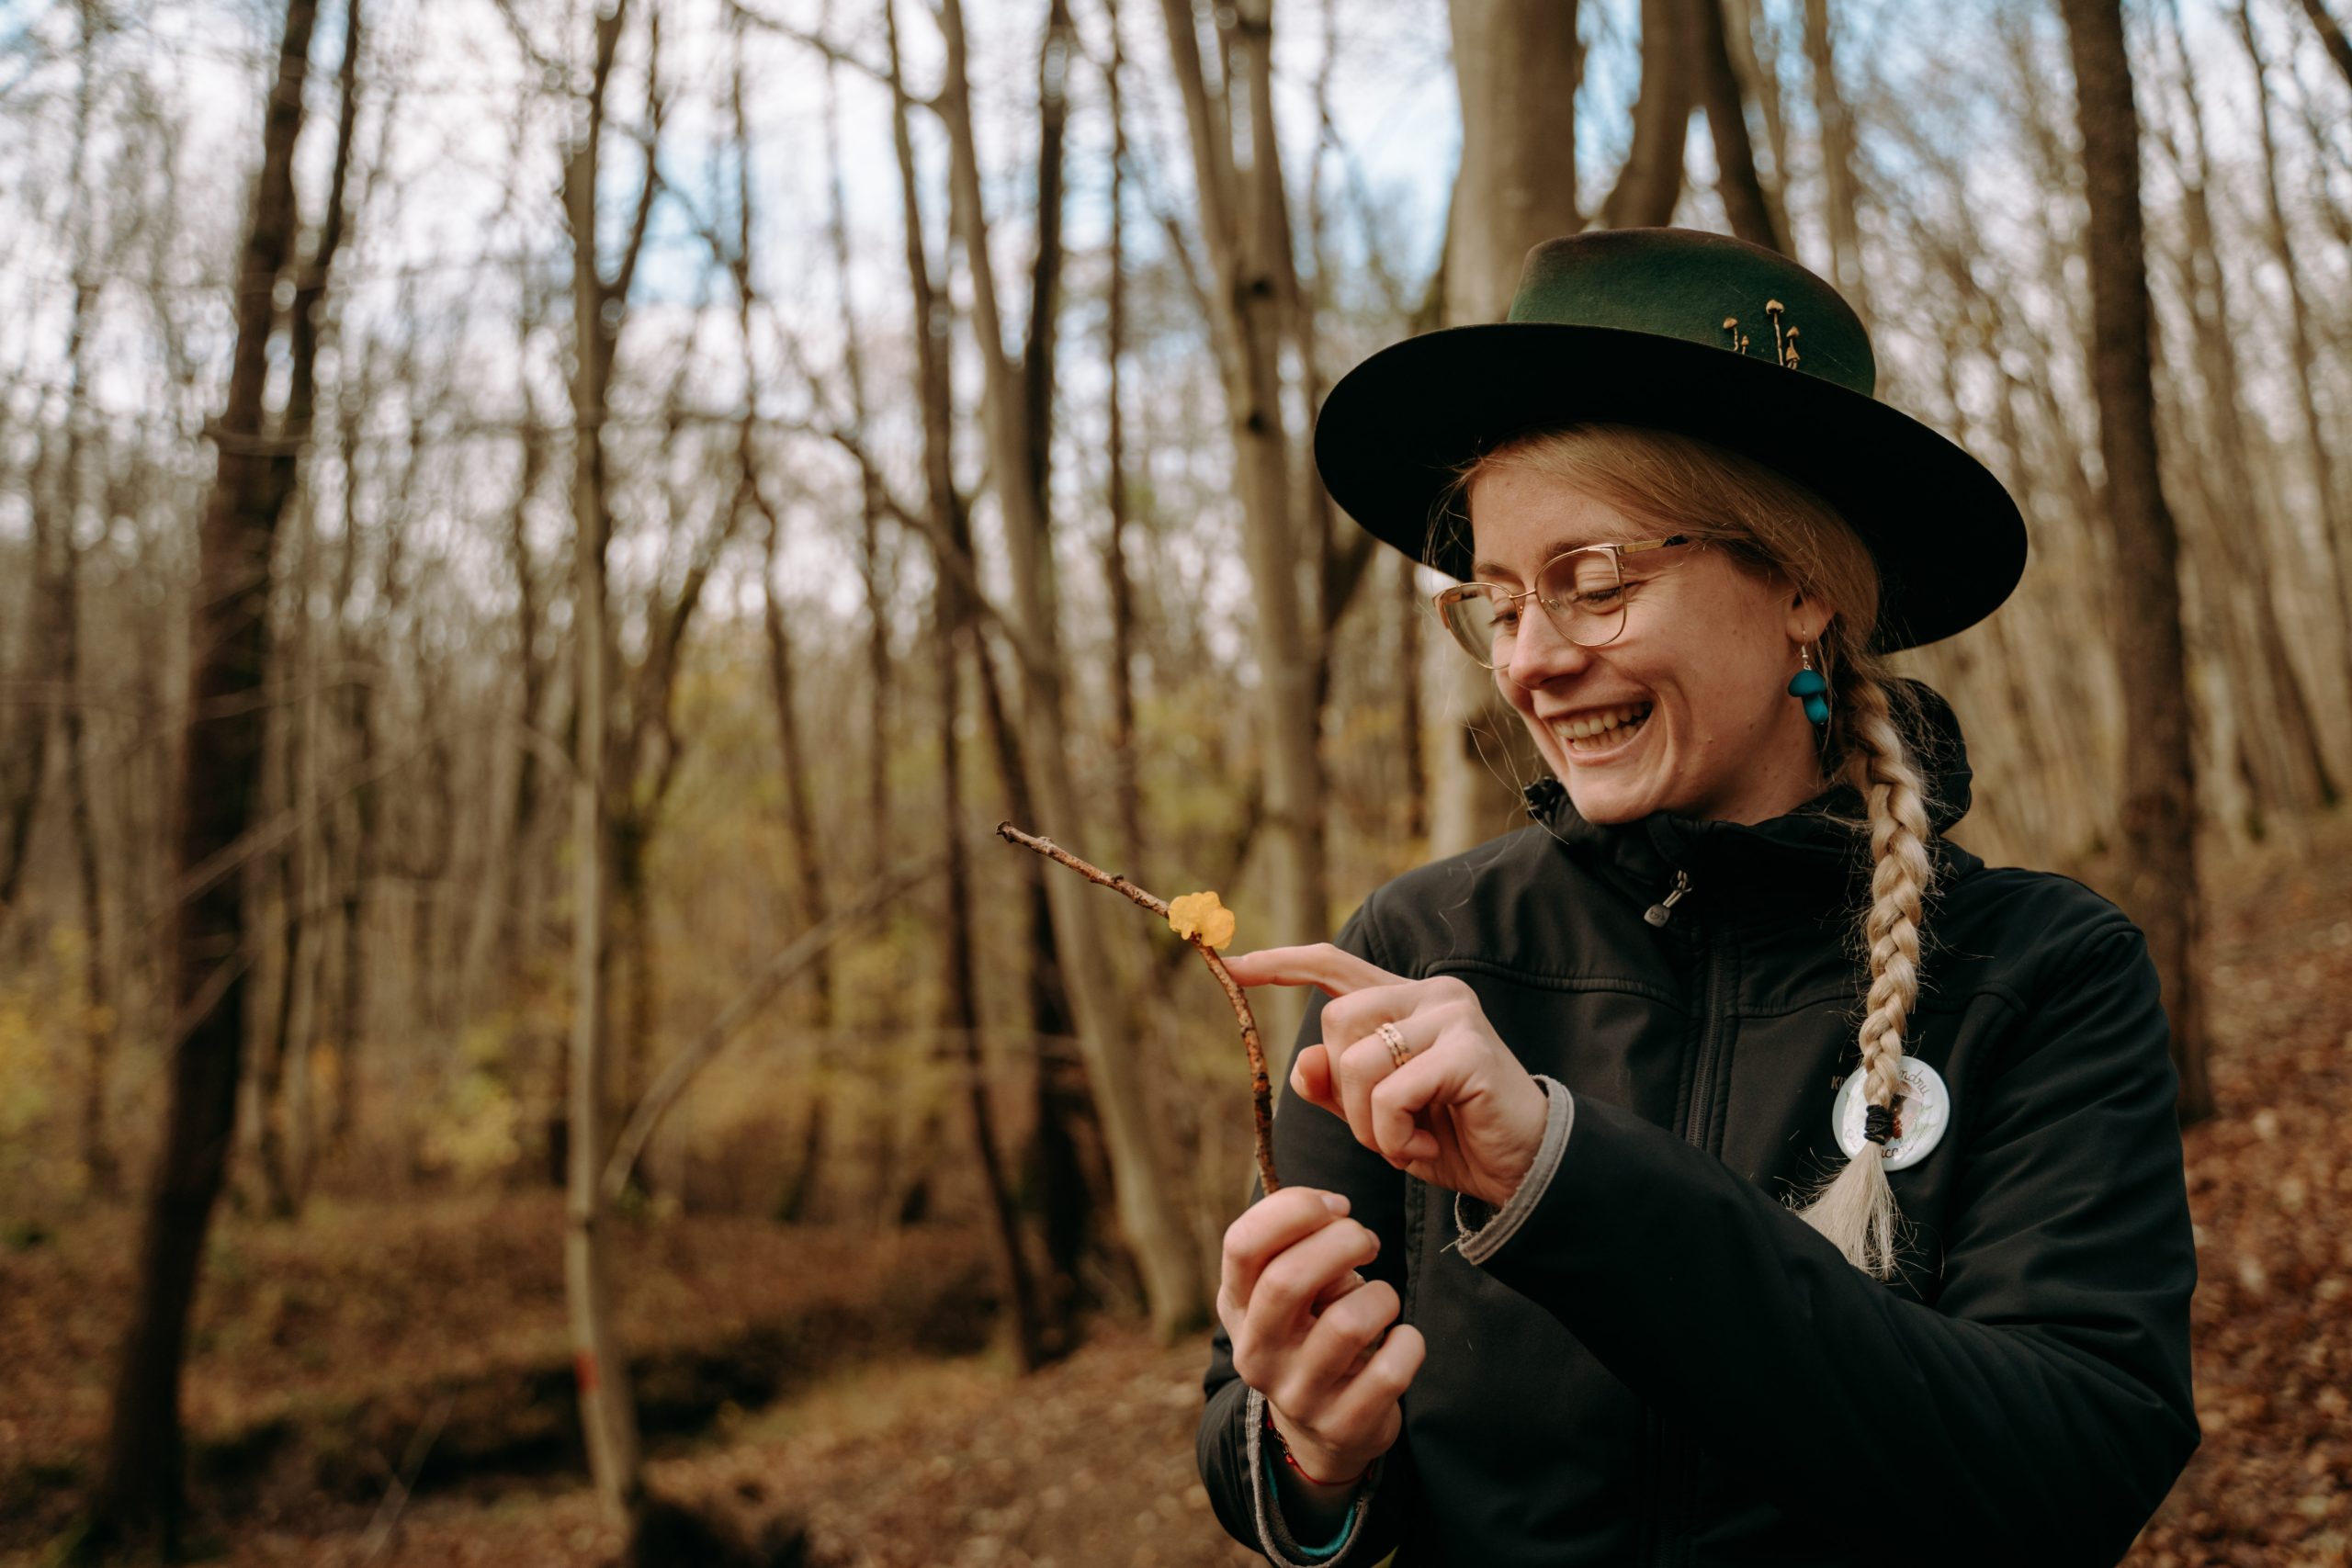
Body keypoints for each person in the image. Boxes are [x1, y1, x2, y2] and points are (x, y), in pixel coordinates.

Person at [1193, 228, 2199, 1568]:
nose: (1533, 664)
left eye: (1593, 582)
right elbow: (1254, 1448)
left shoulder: (2043, 970)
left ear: (1801, 587)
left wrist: (1563, 1177)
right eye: (1497, 606)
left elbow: (2071, 1470)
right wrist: (1311, 1452)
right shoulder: (1416, 958)